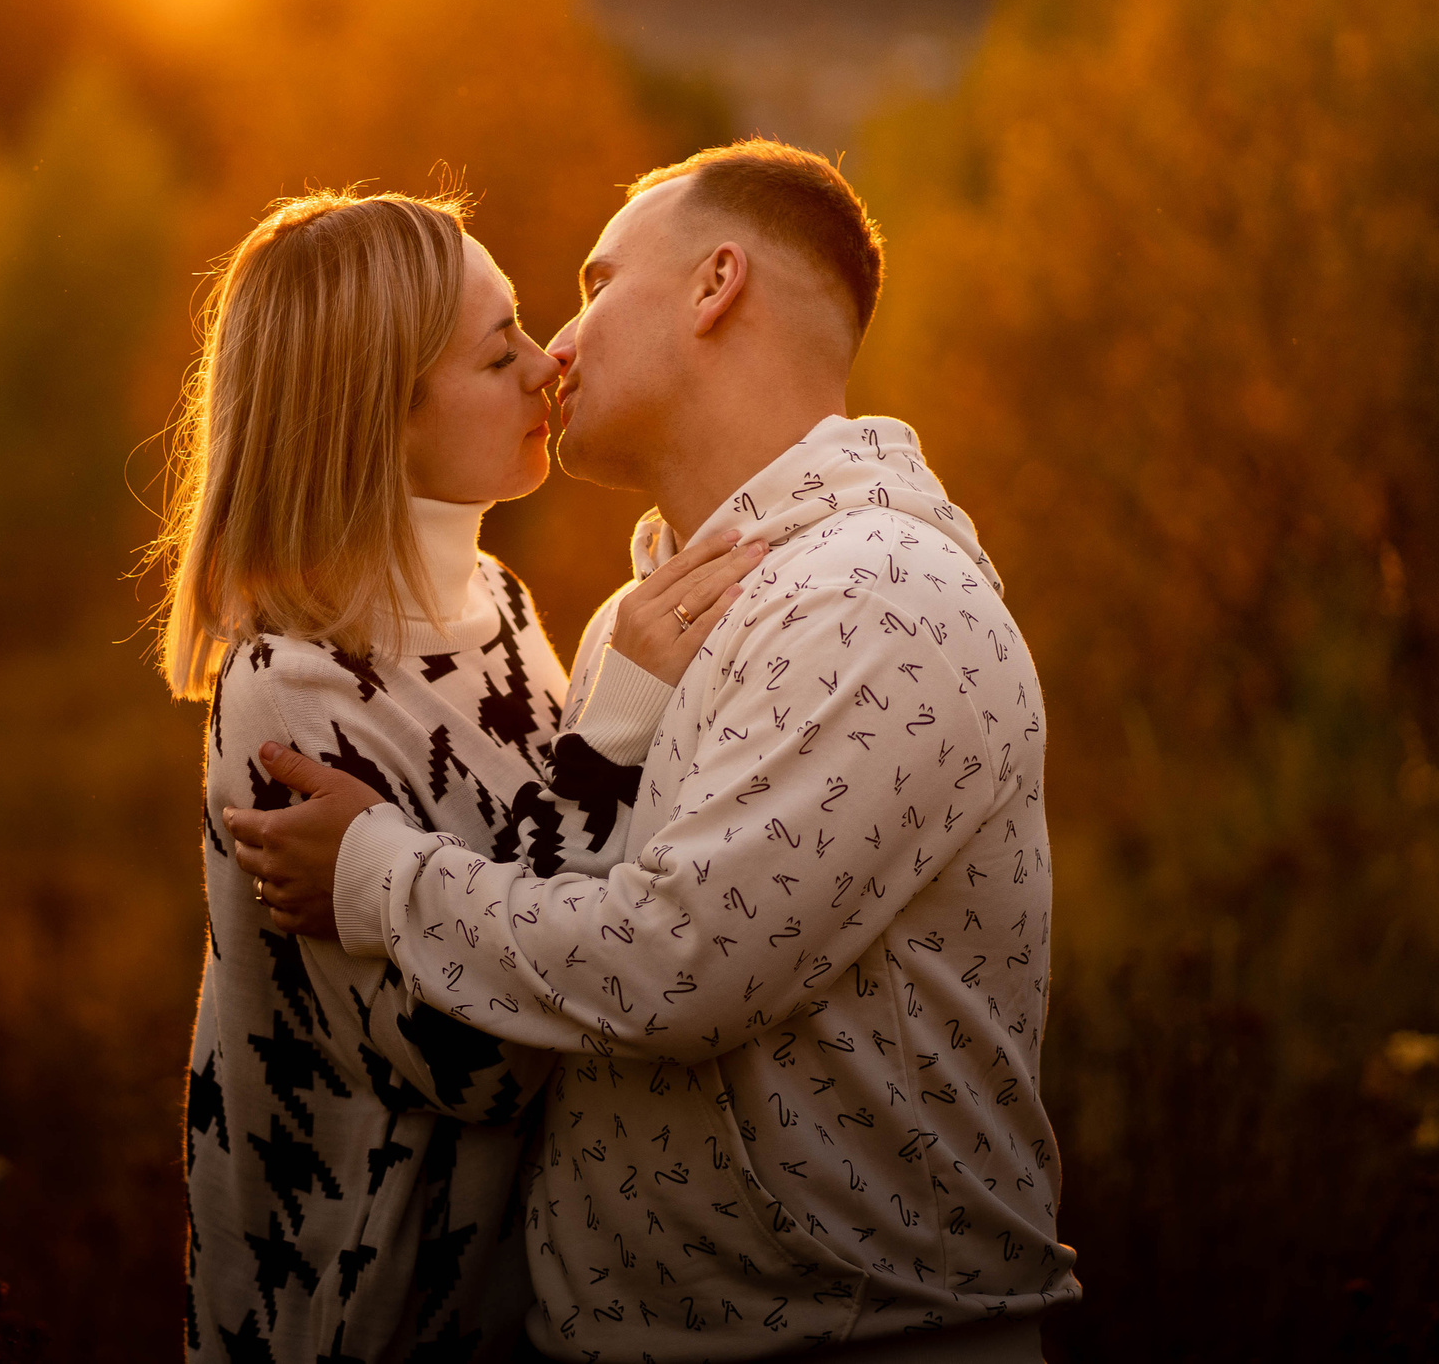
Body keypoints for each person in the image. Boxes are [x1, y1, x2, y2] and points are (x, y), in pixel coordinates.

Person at [230, 143, 1080, 1361]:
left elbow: (675, 961)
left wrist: (375, 875)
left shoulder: (879, 599)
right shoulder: (668, 616)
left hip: (859, 1342)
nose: (557, 349)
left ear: (713, 284)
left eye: (593, 283)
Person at [158, 191, 763, 1363]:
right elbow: (469, 1062)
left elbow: (556, 895)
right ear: (378, 417)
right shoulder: (291, 693)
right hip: (364, 1327)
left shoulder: (495, 602)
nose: (551, 366)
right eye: (500, 354)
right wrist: (613, 723)